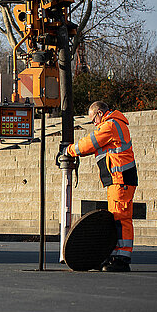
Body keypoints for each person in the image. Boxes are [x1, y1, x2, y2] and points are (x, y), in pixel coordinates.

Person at [64, 101, 138, 272]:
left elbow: (89, 143)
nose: (94, 124)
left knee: (121, 218)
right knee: (117, 218)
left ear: (99, 113)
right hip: (118, 180)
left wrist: (68, 150)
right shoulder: (114, 124)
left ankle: (122, 259)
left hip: (121, 180)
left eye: (93, 120)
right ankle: (116, 255)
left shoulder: (110, 125)